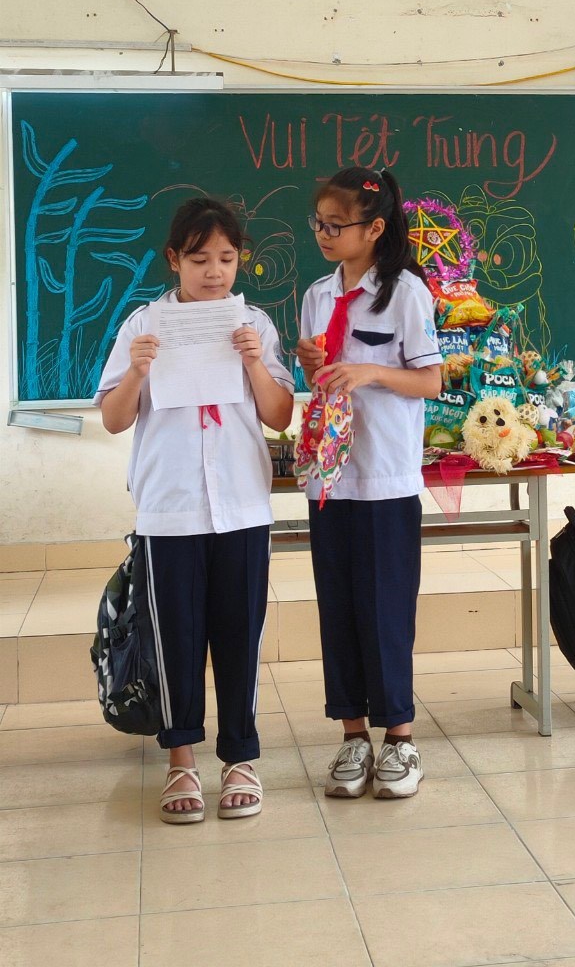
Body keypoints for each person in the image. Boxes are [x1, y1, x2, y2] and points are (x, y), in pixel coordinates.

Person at [96, 197, 294, 824]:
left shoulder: (254, 324)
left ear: (241, 261)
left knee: (240, 635)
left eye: (227, 259)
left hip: (241, 505)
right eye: (200, 258)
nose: (214, 272)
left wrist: (254, 363)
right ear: (174, 259)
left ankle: (240, 759)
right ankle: (181, 760)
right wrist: (137, 372)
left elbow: (279, 415)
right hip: (170, 507)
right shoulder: (143, 325)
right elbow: (113, 419)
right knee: (174, 638)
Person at [297, 167, 442, 799]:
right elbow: (320, 377)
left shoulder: (405, 292)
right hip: (331, 477)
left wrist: (369, 371)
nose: (325, 234)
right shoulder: (316, 295)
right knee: (338, 609)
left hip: (384, 475)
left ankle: (400, 740)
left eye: (337, 225)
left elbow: (431, 380)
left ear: (375, 227)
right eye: (319, 224)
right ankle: (352, 735)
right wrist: (313, 364)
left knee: (386, 609)